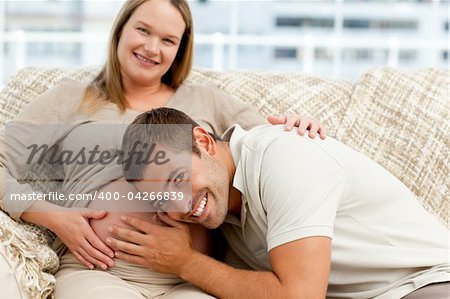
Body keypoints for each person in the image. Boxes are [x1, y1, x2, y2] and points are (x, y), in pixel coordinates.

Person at [0, 0, 327, 297]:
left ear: (180, 49)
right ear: (120, 30)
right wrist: (52, 216)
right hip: (99, 271)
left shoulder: (206, 100)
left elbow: (264, 149)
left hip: (190, 279)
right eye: (143, 30)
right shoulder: (70, 97)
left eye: (168, 40)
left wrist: (299, 128)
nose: (152, 48)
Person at [111, 107, 450, 299]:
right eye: (160, 199)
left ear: (203, 141)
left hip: (426, 284)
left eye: (177, 179)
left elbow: (299, 297)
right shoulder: (223, 210)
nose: (179, 206)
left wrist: (185, 262)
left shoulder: (284, 157)